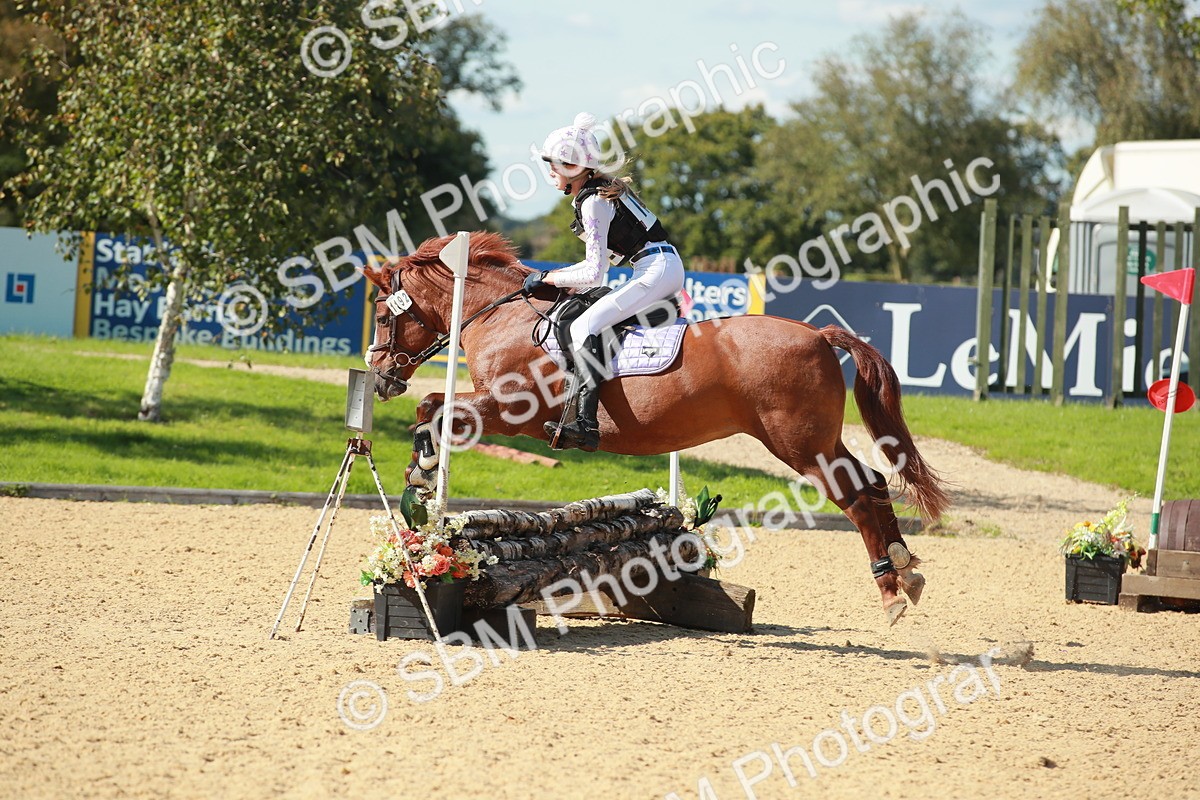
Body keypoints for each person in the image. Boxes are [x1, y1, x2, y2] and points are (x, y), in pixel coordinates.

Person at [523, 112, 685, 452]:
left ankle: (585, 424)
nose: (550, 172)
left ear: (573, 166)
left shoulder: (593, 201)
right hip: (660, 266)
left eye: (555, 165)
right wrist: (563, 282)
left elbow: (594, 272)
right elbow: (598, 268)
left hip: (655, 268)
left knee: (584, 327)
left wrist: (546, 277)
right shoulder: (599, 191)